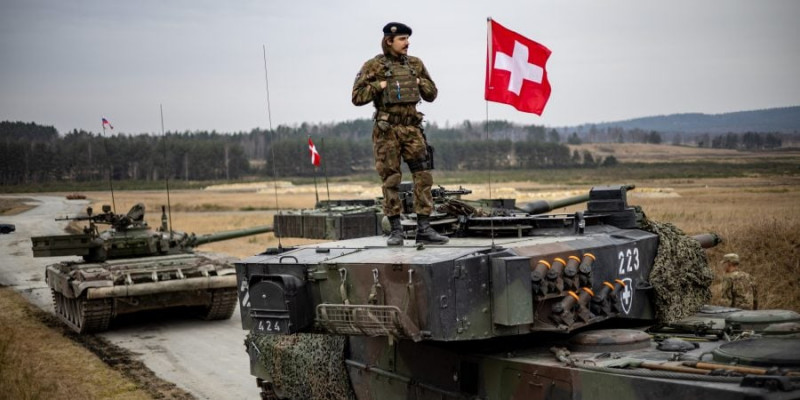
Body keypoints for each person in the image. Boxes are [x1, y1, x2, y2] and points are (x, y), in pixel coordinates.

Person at [352, 22, 448, 246]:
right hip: (387, 131)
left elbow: (432, 94)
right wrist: (379, 86)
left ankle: (424, 228)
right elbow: (357, 97)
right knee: (391, 179)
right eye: (402, 39)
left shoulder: (415, 64)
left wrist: (419, 82)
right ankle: (396, 230)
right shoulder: (373, 66)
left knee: (423, 176)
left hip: (412, 129)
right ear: (389, 41)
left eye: (407, 38)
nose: (407, 43)